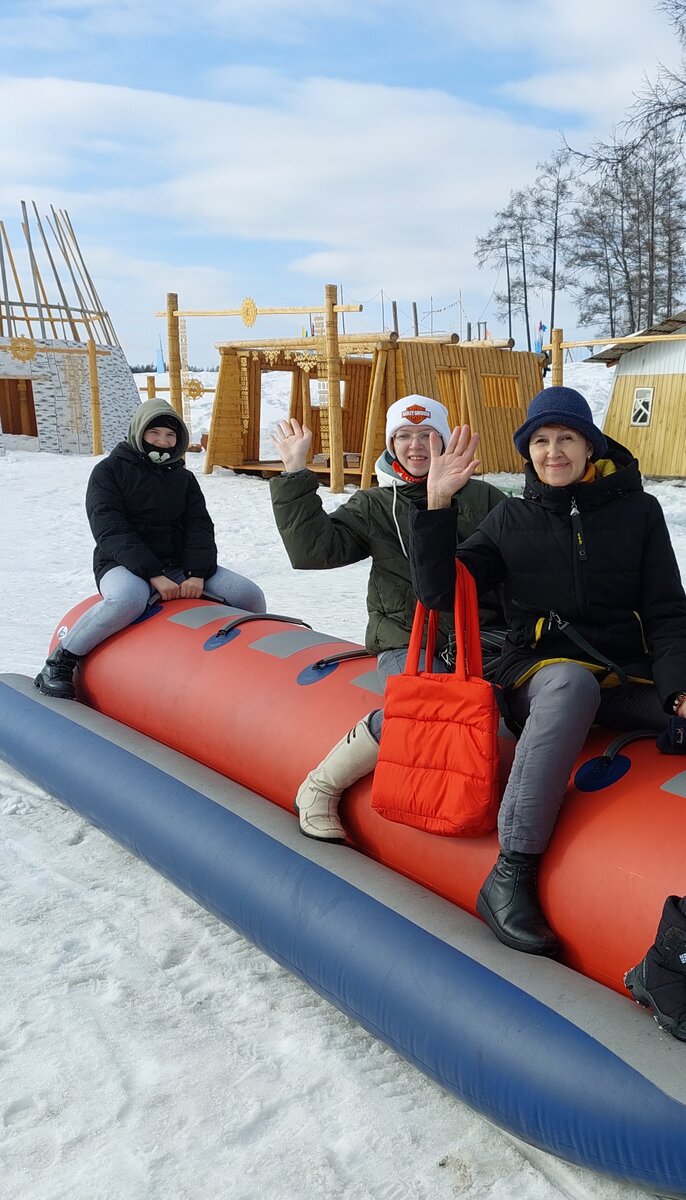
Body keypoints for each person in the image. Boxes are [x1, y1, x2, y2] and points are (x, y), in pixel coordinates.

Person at [407, 385, 686, 966]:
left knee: (626, 691)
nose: (552, 452)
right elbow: (438, 593)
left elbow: (666, 611)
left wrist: (678, 688)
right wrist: (434, 507)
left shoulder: (639, 513)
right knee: (570, 684)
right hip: (536, 675)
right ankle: (511, 871)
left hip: (619, 673)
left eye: (565, 438)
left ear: (591, 445)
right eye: (539, 441)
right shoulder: (511, 518)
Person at [269, 394, 506, 843]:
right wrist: (295, 475)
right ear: (390, 443)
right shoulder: (376, 505)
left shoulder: (483, 497)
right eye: (404, 436)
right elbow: (314, 550)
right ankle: (320, 786)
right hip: (405, 639)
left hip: (482, 637)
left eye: (427, 435)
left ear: (444, 438)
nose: (416, 446)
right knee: (423, 708)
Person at [35, 398, 266, 700]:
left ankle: (248, 661)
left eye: (170, 436)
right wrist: (153, 574)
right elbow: (110, 529)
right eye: (154, 433)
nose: (163, 441)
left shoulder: (183, 478)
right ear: (139, 432)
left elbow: (199, 527)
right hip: (122, 564)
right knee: (128, 600)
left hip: (180, 565)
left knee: (249, 595)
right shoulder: (109, 472)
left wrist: (197, 573)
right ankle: (61, 660)